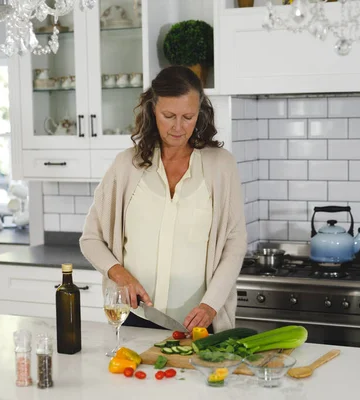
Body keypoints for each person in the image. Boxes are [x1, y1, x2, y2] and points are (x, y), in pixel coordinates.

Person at [79, 65, 247, 333]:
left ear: (200, 113)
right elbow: (90, 238)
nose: (179, 127)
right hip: (135, 317)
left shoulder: (221, 166)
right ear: (152, 111)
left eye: (188, 117)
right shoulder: (126, 166)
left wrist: (211, 305)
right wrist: (119, 275)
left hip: (200, 320)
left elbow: (235, 244)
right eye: (169, 116)